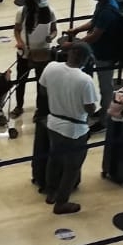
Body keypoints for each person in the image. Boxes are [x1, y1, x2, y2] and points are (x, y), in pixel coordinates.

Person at [38, 42, 99, 215]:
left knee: (54, 159)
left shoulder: (51, 67)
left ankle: (51, 193)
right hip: (75, 129)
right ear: (86, 60)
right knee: (72, 167)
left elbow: (42, 91)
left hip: (53, 122)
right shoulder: (85, 80)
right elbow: (90, 108)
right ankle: (61, 203)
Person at [13, 0, 56, 115]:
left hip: (42, 53)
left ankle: (40, 109)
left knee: (41, 83)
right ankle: (19, 106)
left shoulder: (50, 11)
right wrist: (20, 42)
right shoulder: (22, 12)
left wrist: (51, 37)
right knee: (21, 82)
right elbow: (17, 30)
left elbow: (54, 30)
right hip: (25, 53)